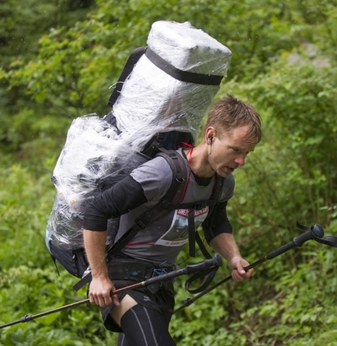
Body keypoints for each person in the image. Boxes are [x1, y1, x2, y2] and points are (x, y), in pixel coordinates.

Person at [83, 94, 262, 345]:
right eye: (235, 150)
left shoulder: (221, 184)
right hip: (123, 280)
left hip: (162, 281)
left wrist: (233, 256)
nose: (241, 161)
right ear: (210, 135)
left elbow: (215, 225)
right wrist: (99, 277)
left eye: (247, 153)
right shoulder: (162, 173)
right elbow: (97, 210)